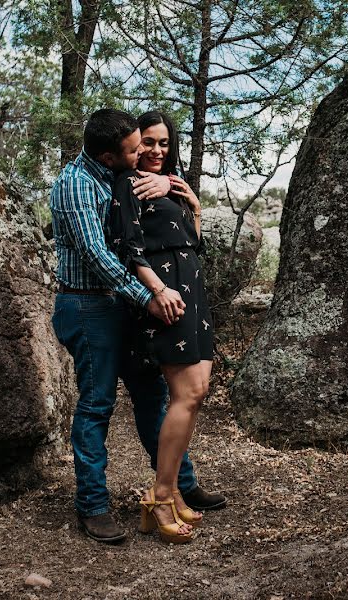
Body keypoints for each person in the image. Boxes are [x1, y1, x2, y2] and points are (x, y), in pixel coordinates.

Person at [49, 108, 225, 544]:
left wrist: (171, 185)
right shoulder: (77, 183)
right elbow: (99, 256)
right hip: (92, 304)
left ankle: (179, 486)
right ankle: (92, 505)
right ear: (111, 156)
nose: (144, 152)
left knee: (152, 396)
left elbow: (152, 187)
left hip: (125, 304)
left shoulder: (118, 170)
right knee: (97, 404)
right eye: (135, 148)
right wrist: (150, 295)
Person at [109, 110, 214, 543]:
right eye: (148, 142)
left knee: (197, 391)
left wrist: (192, 203)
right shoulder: (129, 184)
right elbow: (127, 247)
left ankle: (168, 493)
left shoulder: (173, 183)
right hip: (164, 295)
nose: (155, 151)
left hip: (191, 291)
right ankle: (160, 494)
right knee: (184, 393)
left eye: (164, 144)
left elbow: (194, 240)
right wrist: (154, 292)